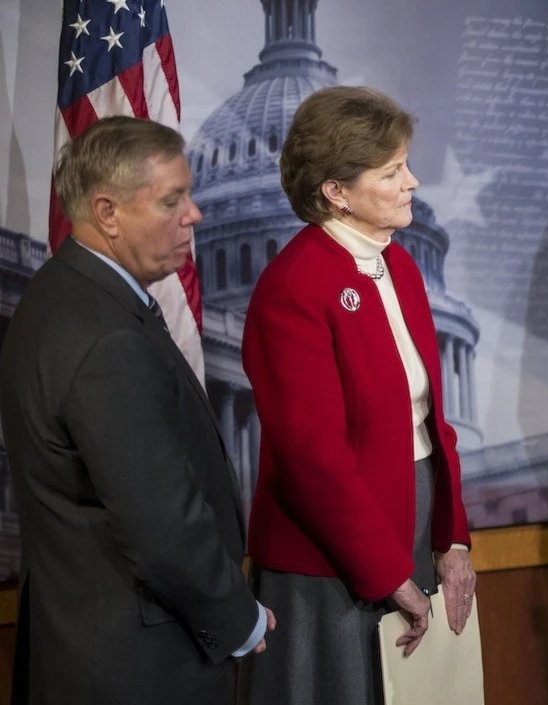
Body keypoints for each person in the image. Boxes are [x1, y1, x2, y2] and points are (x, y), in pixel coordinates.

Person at [0, 116, 272, 705]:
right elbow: (162, 525)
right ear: (108, 213)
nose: (194, 215)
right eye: (172, 200)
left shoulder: (56, 297)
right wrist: (238, 618)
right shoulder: (107, 337)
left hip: (87, 643)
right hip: (141, 665)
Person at [236, 86, 477, 705]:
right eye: (393, 171)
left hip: (412, 519)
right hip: (329, 557)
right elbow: (313, 459)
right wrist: (387, 571)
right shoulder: (292, 287)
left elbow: (432, 422)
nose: (413, 183)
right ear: (336, 191)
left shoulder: (400, 267)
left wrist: (451, 540)